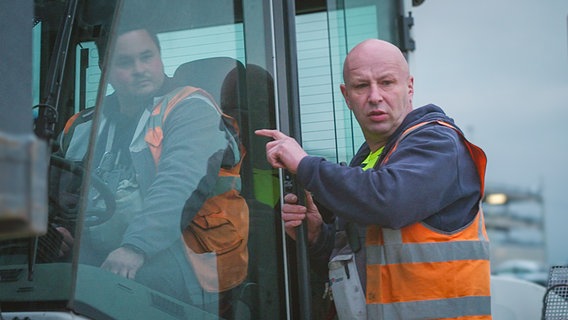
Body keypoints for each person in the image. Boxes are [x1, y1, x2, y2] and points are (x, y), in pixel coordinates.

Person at [256, 39, 491, 319]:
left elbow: (389, 201)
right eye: (361, 86)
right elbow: (360, 264)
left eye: (387, 82)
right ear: (346, 96)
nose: (375, 96)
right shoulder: (370, 159)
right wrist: (317, 235)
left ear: (410, 87)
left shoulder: (437, 142)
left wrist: (305, 165)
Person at [54, 25, 249, 314]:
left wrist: (136, 247)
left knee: (119, 292)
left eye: (147, 57)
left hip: (187, 252)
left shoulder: (191, 109)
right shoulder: (82, 125)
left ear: (160, 59)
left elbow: (180, 183)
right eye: (125, 62)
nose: (139, 69)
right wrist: (57, 228)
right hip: (107, 248)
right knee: (44, 277)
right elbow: (57, 187)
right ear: (104, 69)